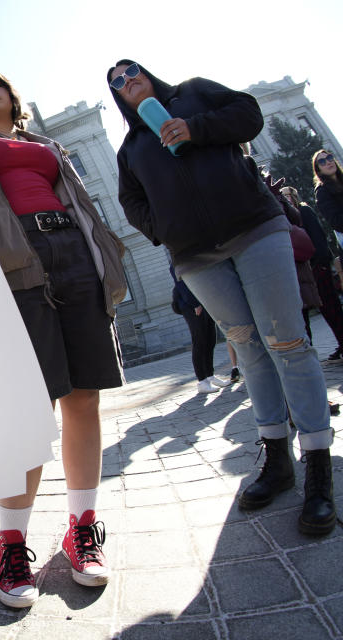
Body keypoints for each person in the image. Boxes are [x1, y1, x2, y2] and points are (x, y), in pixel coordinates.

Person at [107, 59, 335, 536]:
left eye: (132, 72)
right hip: (195, 257)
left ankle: (317, 465)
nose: (128, 82)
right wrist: (164, 230)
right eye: (117, 83)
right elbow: (131, 204)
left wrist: (195, 128)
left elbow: (249, 114)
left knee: (289, 343)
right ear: (117, 98)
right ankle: (276, 459)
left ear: (148, 74)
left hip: (255, 229)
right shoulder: (130, 149)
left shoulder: (193, 94)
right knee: (248, 350)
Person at [0, 64, 127, 608]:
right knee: (28, 410)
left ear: (11, 95)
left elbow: (82, 203)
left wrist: (103, 248)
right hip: (18, 266)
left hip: (75, 257)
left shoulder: (47, 143)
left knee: (84, 398)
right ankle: (12, 541)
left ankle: (81, 529)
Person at [283, 184, 343, 359]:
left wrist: (323, 262)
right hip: (299, 272)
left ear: (294, 196)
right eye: (282, 196)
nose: (286, 198)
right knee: (301, 314)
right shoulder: (284, 217)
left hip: (316, 267)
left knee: (330, 307)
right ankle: (308, 353)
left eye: (288, 195)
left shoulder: (304, 211)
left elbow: (318, 237)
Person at [170, 265, 229, 393]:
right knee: (199, 341)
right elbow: (181, 283)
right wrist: (194, 303)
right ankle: (202, 381)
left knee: (210, 340)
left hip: (204, 300)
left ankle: (210, 375)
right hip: (191, 305)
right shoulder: (176, 262)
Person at [312, 149, 343, 360]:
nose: (328, 162)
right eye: (322, 161)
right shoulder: (322, 191)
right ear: (318, 169)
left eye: (329, 157)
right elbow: (335, 219)